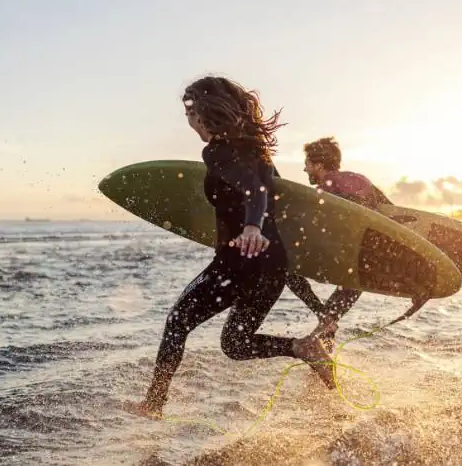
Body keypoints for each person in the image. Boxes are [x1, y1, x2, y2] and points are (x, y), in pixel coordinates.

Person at [125, 76, 335, 418]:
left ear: (207, 113)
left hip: (239, 262)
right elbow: (272, 209)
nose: (189, 120)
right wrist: (314, 304)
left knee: (178, 320)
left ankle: (154, 404)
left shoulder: (217, 152)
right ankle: (302, 347)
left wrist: (251, 226)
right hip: (272, 266)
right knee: (235, 344)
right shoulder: (261, 154)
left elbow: (255, 192)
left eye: (191, 112)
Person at [285, 136, 393, 350]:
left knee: (283, 267)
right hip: (363, 264)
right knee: (338, 306)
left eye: (307, 164)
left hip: (341, 256)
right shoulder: (361, 180)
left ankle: (321, 319)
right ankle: (323, 349)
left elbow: (310, 225)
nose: (305, 170)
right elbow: (392, 215)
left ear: (318, 164)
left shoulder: (326, 186)